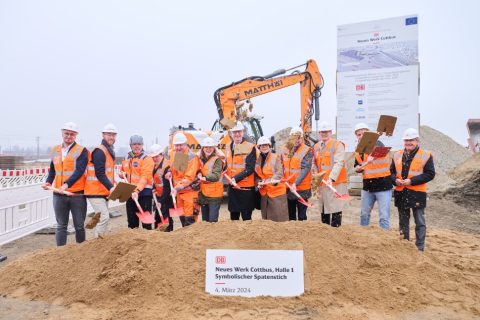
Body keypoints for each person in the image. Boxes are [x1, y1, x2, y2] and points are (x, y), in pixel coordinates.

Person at [42, 122, 88, 246]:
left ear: (76, 135)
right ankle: (60, 253)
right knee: (61, 225)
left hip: (76, 195)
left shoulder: (82, 151)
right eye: (66, 133)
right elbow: (53, 170)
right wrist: (48, 182)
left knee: (79, 225)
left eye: (72, 134)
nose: (69, 136)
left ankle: (82, 251)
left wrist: (66, 185)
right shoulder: (54, 150)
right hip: (59, 194)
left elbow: (79, 170)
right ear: (62, 133)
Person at [391, 128, 435, 251]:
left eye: (411, 140)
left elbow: (430, 174)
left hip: (417, 193)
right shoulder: (397, 155)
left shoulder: (426, 155)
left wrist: (412, 181)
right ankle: (405, 246)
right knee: (403, 221)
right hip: (401, 192)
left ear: (417, 141)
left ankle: (419, 247)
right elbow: (391, 173)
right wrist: (395, 180)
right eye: (406, 140)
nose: (408, 143)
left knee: (419, 221)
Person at [353, 122, 392, 230]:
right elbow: (357, 165)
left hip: (383, 186)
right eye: (358, 134)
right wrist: (357, 169)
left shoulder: (378, 143)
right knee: (364, 215)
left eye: (363, 133)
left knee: (384, 217)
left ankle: (384, 239)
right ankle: (363, 236)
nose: (361, 136)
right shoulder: (358, 150)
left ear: (368, 134)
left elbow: (379, 148)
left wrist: (373, 155)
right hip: (368, 188)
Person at [84, 123, 117, 238]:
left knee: (101, 217)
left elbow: (107, 173)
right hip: (95, 191)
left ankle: (99, 238)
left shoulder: (108, 151)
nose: (111, 137)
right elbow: (99, 173)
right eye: (109, 134)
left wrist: (113, 184)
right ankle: (97, 244)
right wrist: (111, 187)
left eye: (113, 135)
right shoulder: (100, 151)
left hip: (102, 192)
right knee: (104, 217)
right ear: (103, 135)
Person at [313, 121, 348, 227]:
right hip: (323, 184)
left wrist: (331, 178)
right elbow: (315, 163)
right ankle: (325, 236)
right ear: (319, 133)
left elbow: (339, 163)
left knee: (336, 209)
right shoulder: (317, 146)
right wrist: (314, 172)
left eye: (326, 131)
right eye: (322, 132)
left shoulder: (338, 145)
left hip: (335, 183)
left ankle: (336, 234)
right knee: (324, 210)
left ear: (331, 132)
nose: (324, 134)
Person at [165, 132, 200, 227]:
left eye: (181, 145)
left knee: (190, 221)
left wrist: (176, 188)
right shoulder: (174, 154)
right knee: (183, 220)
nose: (178, 148)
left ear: (186, 144)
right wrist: (169, 172)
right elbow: (173, 168)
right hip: (179, 194)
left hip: (190, 193)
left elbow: (189, 177)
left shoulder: (192, 157)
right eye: (176, 145)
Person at [121, 134, 155, 230]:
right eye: (134, 144)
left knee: (146, 223)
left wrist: (137, 190)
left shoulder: (146, 158)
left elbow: (145, 177)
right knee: (132, 223)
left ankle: (148, 242)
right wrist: (121, 174)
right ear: (130, 145)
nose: (137, 146)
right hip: (130, 193)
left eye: (139, 144)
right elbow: (123, 170)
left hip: (144, 193)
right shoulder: (127, 157)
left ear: (142, 145)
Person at [225, 122, 257, 221]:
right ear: (231, 134)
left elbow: (250, 168)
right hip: (233, 187)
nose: (237, 134)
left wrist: (235, 178)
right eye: (235, 132)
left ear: (243, 132)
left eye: (239, 132)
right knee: (234, 218)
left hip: (245, 188)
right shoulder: (228, 146)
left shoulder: (250, 147)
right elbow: (228, 163)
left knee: (246, 218)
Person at [255, 136, 288, 222]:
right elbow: (257, 175)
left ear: (269, 146)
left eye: (266, 145)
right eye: (262, 145)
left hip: (276, 192)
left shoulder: (276, 157)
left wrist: (271, 181)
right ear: (259, 147)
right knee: (266, 220)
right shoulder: (257, 160)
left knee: (279, 218)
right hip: (265, 193)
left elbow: (280, 172)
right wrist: (259, 182)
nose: (264, 147)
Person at [283, 127, 313, 221]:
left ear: (302, 138)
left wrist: (295, 183)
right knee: (291, 216)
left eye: (298, 138)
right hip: (289, 187)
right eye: (294, 138)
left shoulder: (307, 150)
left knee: (301, 216)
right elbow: (281, 166)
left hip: (302, 189)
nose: (296, 140)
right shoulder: (285, 149)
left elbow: (305, 169)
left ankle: (303, 234)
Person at [197, 137, 224, 223]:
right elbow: (197, 169)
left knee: (212, 220)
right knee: (205, 221)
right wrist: (198, 173)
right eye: (206, 147)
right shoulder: (199, 159)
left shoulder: (217, 159)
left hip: (214, 193)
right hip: (203, 193)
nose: (208, 149)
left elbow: (216, 176)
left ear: (213, 148)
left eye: (210, 147)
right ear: (203, 148)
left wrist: (205, 178)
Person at [148, 144, 171, 230]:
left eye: (156, 156)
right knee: (157, 219)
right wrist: (153, 188)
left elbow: (167, 187)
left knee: (166, 220)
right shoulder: (155, 165)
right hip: (158, 196)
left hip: (166, 198)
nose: (154, 159)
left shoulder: (166, 166)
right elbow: (156, 180)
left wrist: (161, 201)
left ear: (161, 154)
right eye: (153, 157)